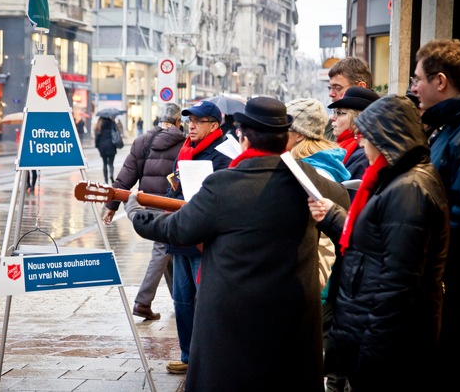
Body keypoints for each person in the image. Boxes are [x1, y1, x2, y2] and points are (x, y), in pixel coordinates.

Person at [126, 96, 350, 391]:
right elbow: (344, 206)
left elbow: (177, 229)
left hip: (233, 323)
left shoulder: (223, 185)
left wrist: (135, 213)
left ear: (243, 139)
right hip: (293, 321)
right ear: (285, 140)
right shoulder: (306, 179)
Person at [308, 94, 450, 392]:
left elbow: (397, 284)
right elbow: (372, 242)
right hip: (376, 336)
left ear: (387, 138)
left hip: (387, 347)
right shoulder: (395, 179)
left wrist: (370, 352)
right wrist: (333, 216)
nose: (361, 144)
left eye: (366, 137)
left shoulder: (409, 189)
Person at [411, 38, 460, 391]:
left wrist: (430, 259)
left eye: (417, 78)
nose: (413, 87)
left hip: (454, 284)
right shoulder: (451, 126)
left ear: (440, 82)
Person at [286, 98, 351, 392]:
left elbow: (323, 238)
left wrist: (315, 285)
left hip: (316, 284)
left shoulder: (314, 172)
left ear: (298, 133)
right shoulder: (314, 165)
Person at [163, 100, 231, 375]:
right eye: (189, 120)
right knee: (182, 301)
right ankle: (188, 355)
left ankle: (210, 358)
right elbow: (175, 189)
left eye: (198, 121)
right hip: (181, 238)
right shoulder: (186, 151)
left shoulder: (222, 155)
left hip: (205, 241)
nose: (191, 125)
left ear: (214, 125)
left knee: (206, 302)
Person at [102, 103, 186, 320]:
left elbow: (125, 177)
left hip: (148, 206)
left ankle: (181, 301)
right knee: (163, 250)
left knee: (168, 252)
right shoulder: (184, 144)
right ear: (178, 122)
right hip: (171, 207)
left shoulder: (143, 141)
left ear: (158, 119)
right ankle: (143, 302)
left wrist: (111, 206)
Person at [327, 87, 380, 181]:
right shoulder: (341, 147)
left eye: (339, 113)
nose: (333, 118)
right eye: (335, 112)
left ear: (357, 118)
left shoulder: (364, 153)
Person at [324, 57, 373, 141]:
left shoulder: (377, 127)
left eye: (337, 87)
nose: (331, 94)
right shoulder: (329, 126)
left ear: (361, 87)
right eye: (330, 88)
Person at [94, 116, 118, 184]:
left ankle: (106, 180)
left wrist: (97, 146)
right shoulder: (112, 123)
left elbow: (97, 137)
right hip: (112, 146)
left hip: (103, 146)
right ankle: (111, 175)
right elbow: (117, 134)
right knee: (111, 163)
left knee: (104, 163)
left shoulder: (99, 124)